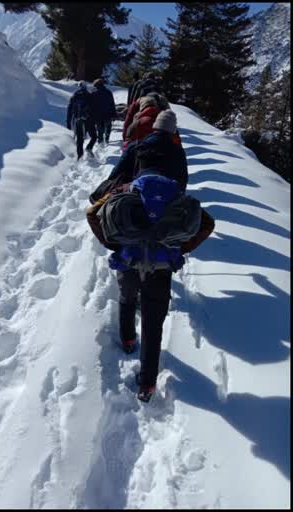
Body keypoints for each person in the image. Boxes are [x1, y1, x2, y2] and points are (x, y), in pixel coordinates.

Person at [86, 110, 214, 403]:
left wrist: (113, 243)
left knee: (128, 297)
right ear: (173, 132)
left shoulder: (129, 176)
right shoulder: (177, 166)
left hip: (128, 253)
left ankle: (128, 339)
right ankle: (147, 384)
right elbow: (205, 222)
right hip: (162, 259)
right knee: (155, 319)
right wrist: (179, 246)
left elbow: (92, 213)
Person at [66, 81, 98, 159]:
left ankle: (80, 156)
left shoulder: (74, 96)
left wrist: (68, 122)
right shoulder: (89, 95)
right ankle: (89, 147)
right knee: (94, 136)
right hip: (89, 120)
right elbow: (94, 109)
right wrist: (95, 121)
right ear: (85, 87)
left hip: (78, 120)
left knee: (80, 139)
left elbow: (69, 110)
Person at [91, 78, 116, 146]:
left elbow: (91, 105)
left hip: (98, 115)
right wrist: (114, 114)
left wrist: (91, 115)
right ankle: (107, 139)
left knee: (100, 130)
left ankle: (100, 142)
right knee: (108, 127)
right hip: (108, 114)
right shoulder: (108, 92)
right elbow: (112, 104)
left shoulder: (94, 93)